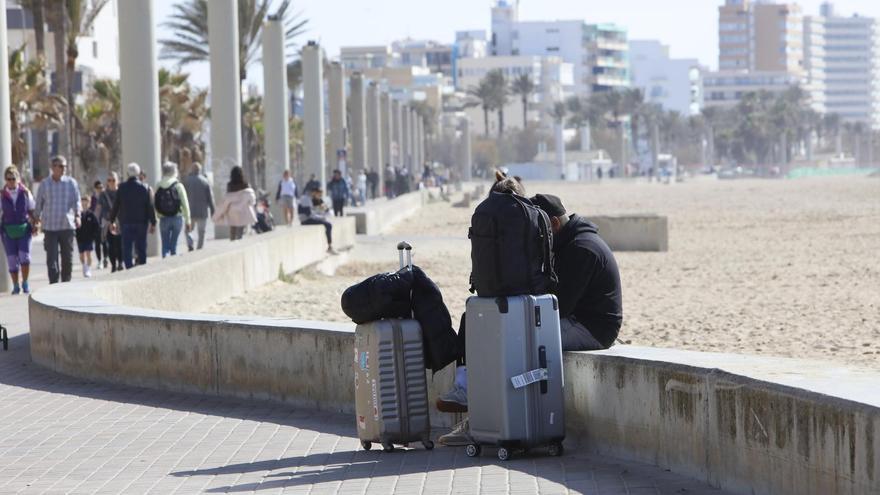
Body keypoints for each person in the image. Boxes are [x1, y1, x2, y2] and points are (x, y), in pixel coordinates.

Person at [34, 156, 81, 284]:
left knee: (67, 258)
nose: (64, 168)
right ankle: (53, 284)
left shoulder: (71, 183)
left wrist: (78, 216)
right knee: (52, 259)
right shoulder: (44, 184)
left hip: (67, 226)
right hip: (50, 227)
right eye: (60, 166)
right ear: (53, 168)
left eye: (65, 166)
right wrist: (36, 219)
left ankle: (66, 283)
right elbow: (39, 203)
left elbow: (77, 201)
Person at [110, 163, 156, 269]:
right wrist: (153, 222)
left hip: (126, 222)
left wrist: (112, 220)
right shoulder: (146, 188)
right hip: (141, 222)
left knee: (127, 247)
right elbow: (150, 206)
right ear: (139, 174)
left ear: (127, 174)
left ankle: (129, 269)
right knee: (141, 246)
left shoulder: (121, 188)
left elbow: (116, 206)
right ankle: (142, 268)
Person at [1, 166, 37, 294]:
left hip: (24, 228)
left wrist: (35, 223)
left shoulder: (25, 193)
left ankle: (25, 283)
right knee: (11, 260)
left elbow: (32, 209)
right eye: (8, 179)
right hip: (8, 230)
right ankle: (15, 285)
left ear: (18, 179)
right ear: (6, 179)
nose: (11, 181)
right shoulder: (2, 195)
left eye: (13, 178)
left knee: (24, 257)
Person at [155, 162, 191, 258]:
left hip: (163, 218)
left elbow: (155, 203)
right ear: (174, 171)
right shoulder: (178, 185)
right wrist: (188, 220)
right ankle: (173, 260)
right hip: (177, 218)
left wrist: (157, 216)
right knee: (173, 244)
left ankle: (165, 260)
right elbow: (185, 204)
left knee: (165, 244)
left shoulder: (158, 185)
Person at [212, 165, 256, 241]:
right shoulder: (245, 184)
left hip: (232, 211)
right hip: (243, 211)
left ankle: (233, 241)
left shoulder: (230, 185)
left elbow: (227, 199)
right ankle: (240, 240)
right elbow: (252, 199)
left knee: (233, 229)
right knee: (241, 228)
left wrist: (218, 215)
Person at [182, 162, 214, 251]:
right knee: (201, 232)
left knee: (188, 230)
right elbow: (210, 198)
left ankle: (190, 244)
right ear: (199, 170)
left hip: (190, 211)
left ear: (192, 170)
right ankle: (199, 248)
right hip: (202, 211)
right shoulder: (205, 181)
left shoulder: (187, 181)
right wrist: (212, 210)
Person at [96, 172, 121, 272]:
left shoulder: (121, 192)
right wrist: (96, 222)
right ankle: (113, 265)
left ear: (117, 181)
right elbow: (98, 208)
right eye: (109, 180)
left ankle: (120, 262)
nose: (111, 182)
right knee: (110, 245)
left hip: (119, 222)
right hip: (107, 222)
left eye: (113, 180)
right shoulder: (103, 194)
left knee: (119, 244)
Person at [299, 187, 336, 254]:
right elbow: (309, 214)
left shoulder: (316, 200)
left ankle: (330, 246)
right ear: (314, 193)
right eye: (319, 194)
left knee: (327, 223)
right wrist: (321, 217)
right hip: (306, 220)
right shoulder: (306, 199)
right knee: (328, 225)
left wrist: (323, 211)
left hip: (311, 217)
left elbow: (328, 211)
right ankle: (330, 247)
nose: (320, 196)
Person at [76, 196, 100, 278]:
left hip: (89, 238)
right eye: (82, 202)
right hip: (80, 238)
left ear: (89, 203)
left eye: (86, 202)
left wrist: (93, 236)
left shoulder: (91, 214)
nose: (84, 204)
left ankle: (88, 269)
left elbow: (96, 226)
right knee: (82, 255)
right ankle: (84, 266)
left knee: (88, 254)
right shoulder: (78, 214)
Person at [90, 180, 104, 270]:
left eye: (102, 187)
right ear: (95, 189)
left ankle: (106, 257)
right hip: (96, 224)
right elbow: (91, 209)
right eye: (99, 188)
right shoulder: (93, 198)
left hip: (105, 222)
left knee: (105, 243)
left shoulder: (105, 196)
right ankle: (100, 261)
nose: (101, 189)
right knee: (98, 243)